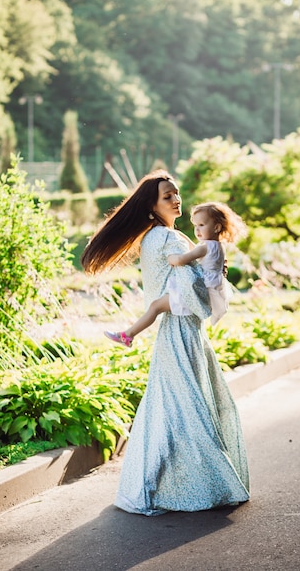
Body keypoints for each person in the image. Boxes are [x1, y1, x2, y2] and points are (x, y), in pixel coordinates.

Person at [81, 170, 250, 515]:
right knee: (189, 408)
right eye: (167, 196)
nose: (176, 199)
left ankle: (166, 483)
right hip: (181, 333)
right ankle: (200, 486)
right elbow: (194, 292)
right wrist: (213, 286)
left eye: (176, 193)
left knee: (173, 408)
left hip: (176, 333)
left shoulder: (160, 237)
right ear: (152, 206)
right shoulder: (169, 240)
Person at [104, 201, 247, 347]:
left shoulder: (205, 247)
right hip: (208, 290)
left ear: (216, 227)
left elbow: (181, 259)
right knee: (157, 306)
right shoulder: (217, 245)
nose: (197, 230)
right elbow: (194, 249)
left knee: (155, 307)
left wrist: (171, 258)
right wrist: (179, 235)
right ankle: (127, 334)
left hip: (198, 291)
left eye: (202, 225)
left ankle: (127, 335)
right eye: (195, 226)